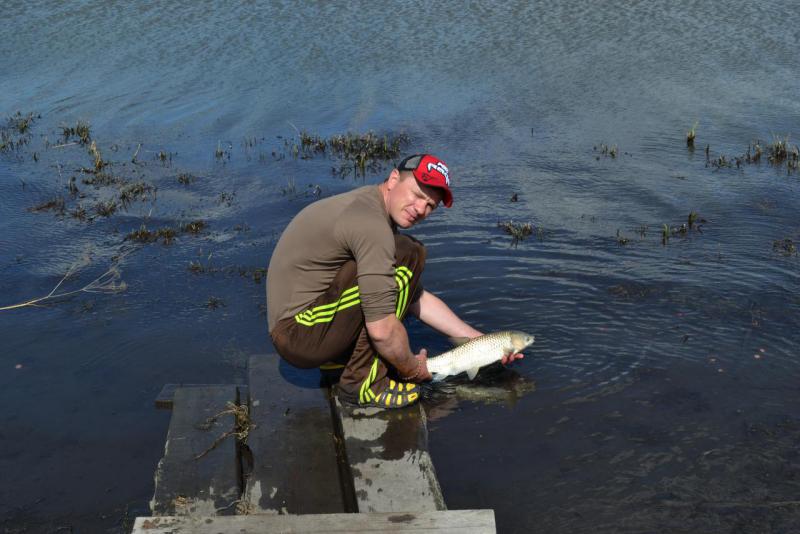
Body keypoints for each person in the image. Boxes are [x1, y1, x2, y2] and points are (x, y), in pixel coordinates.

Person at [266, 154, 523, 408]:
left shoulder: (369, 206)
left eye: (430, 206)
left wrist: (480, 341)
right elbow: (381, 330)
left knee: (399, 268)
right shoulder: (371, 225)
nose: (421, 209)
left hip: (305, 326)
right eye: (418, 195)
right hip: (299, 335)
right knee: (409, 253)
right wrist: (412, 369)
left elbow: (414, 297)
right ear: (393, 179)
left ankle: (339, 358)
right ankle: (363, 385)